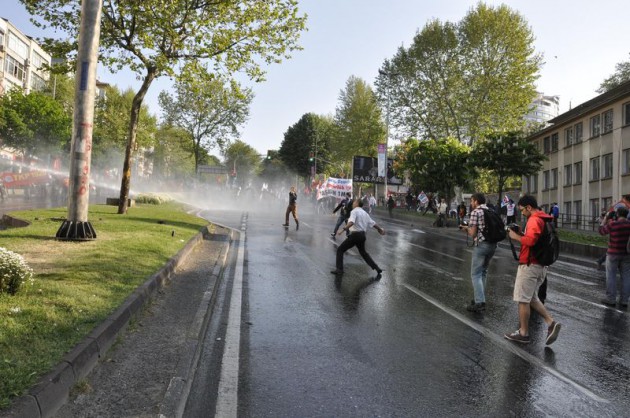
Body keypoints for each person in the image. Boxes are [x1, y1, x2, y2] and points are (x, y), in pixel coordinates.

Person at [504, 195, 561, 345]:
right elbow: (535, 239)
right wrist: (522, 233)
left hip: (530, 265)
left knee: (523, 299)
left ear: (529, 207)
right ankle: (551, 322)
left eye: (522, 210)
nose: (521, 213)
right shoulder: (544, 219)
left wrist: (515, 236)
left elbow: (530, 241)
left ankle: (523, 333)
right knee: (531, 298)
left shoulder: (534, 219)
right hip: (540, 265)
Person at [460, 193, 497, 312]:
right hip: (493, 245)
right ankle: (479, 298)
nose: (471, 203)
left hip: (481, 246)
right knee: (483, 272)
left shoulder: (476, 212)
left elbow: (473, 233)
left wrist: (466, 229)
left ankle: (479, 302)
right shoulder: (491, 210)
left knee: (475, 274)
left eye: (471, 201)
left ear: (476, 201)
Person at [331, 199, 385, 277]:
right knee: (364, 253)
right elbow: (373, 223)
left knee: (340, 250)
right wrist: (380, 229)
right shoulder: (365, 213)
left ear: (357, 204)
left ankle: (339, 270)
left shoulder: (354, 211)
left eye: (354, 202)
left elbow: (351, 222)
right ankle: (376, 268)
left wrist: (343, 230)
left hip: (355, 235)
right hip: (362, 236)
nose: (353, 203)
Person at [598, 206, 630, 308]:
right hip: (626, 254)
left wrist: (605, 218)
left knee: (611, 276)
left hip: (613, 254)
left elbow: (601, 231)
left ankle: (611, 299)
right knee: (626, 277)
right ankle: (624, 300)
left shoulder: (613, 224)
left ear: (617, 214)